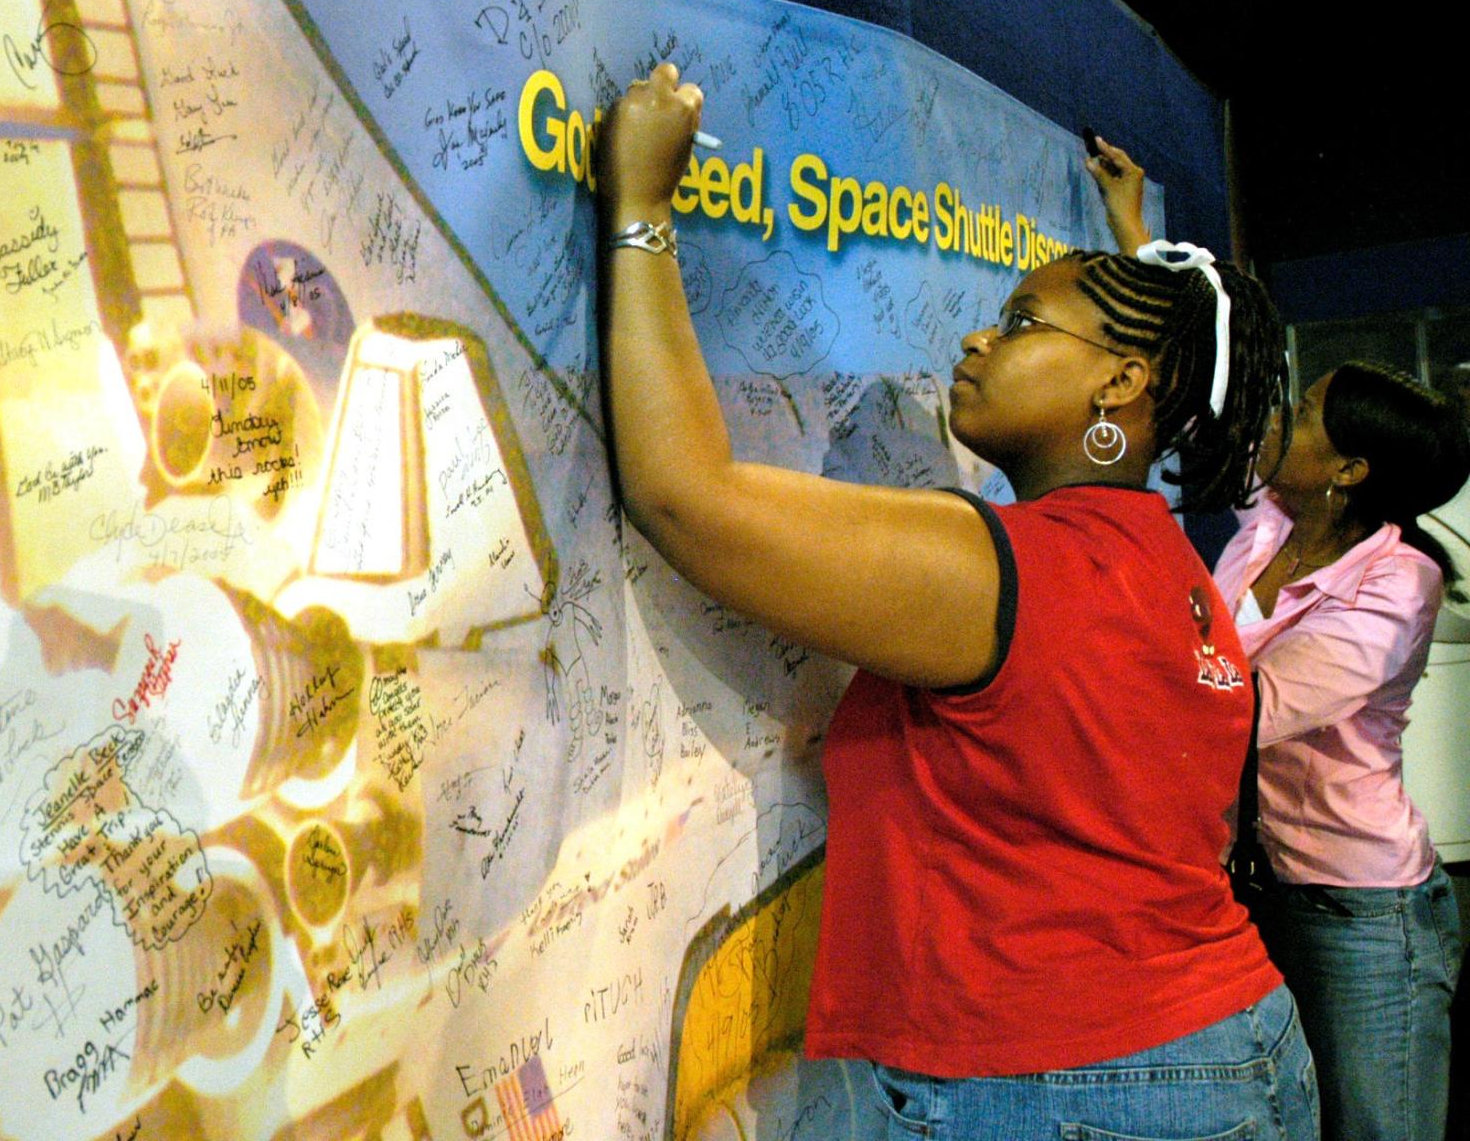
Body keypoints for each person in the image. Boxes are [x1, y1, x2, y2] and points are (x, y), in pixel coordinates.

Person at [599, 65, 1313, 1138]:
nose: (978, 338)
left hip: (1055, 1082)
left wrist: (640, 210)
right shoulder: (1163, 566)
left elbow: (686, 499)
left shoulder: (1006, 569)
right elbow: (1151, 346)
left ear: (1118, 385)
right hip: (1232, 1047)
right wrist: (1126, 236)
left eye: (1019, 322)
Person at [1087, 130, 1467, 1141]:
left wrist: (1081, 667)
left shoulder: (1395, 585)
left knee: (1375, 1129)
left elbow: (1245, 710)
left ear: (1346, 471)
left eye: (1302, 416)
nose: (1277, 424)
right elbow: (1205, 395)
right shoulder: (1271, 519)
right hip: (1262, 882)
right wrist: (1133, 237)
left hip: (1360, 910)